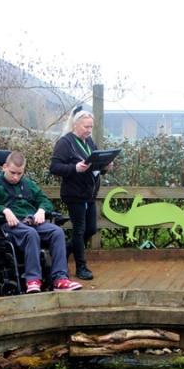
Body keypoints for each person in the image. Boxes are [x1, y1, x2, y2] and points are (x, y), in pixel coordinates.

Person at [0, 151, 82, 293]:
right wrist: (4, 210)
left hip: (30, 222)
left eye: (19, 174)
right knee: (31, 233)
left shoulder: (28, 185)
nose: (16, 177)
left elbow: (45, 201)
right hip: (9, 226)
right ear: (4, 167)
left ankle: (60, 278)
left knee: (57, 232)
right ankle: (32, 280)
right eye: (12, 173)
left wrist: (41, 210)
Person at [50, 106, 109, 280]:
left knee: (90, 229)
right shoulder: (65, 142)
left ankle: (67, 249)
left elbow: (94, 164)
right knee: (79, 229)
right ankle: (81, 267)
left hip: (89, 193)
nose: (89, 131)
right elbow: (54, 167)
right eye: (86, 127)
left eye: (91, 127)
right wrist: (74, 168)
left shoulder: (89, 142)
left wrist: (105, 166)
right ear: (76, 125)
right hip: (74, 194)